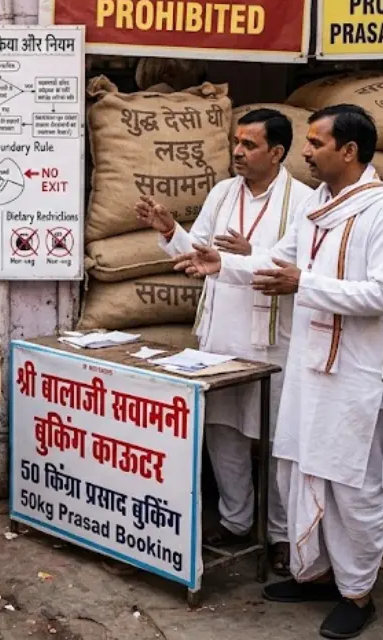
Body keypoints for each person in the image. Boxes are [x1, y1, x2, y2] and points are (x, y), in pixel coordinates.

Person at [179, 104, 383, 639]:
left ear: (349, 151)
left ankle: (357, 596)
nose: (306, 152)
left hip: (359, 376)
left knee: (354, 490)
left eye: (316, 142)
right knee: (299, 473)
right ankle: (314, 575)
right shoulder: (317, 204)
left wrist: (302, 286)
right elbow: (280, 261)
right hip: (310, 368)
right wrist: (226, 266)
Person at [137, 108, 311, 573]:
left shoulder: (304, 202)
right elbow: (201, 255)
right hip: (220, 334)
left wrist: (245, 257)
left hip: (275, 341)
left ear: (276, 152)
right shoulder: (222, 192)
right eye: (236, 142)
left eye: (249, 145)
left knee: (277, 441)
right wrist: (170, 230)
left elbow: (290, 267)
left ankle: (278, 533)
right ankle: (236, 522)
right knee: (223, 431)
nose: (237, 151)